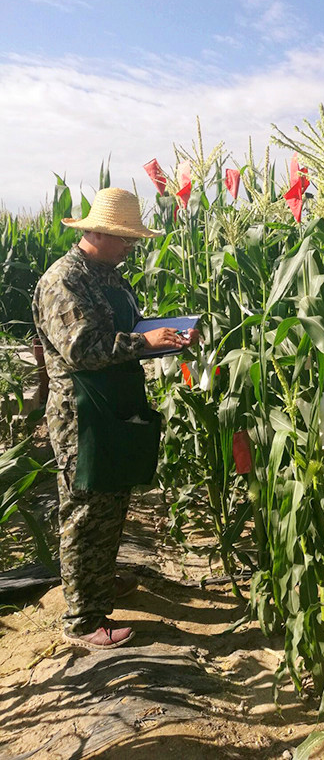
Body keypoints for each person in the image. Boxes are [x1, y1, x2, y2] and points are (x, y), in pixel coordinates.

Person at [32, 187, 198, 650]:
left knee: (110, 504)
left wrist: (168, 336)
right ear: (99, 233)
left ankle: (99, 580)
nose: (132, 246)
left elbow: (126, 330)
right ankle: (83, 619)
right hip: (82, 414)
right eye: (126, 238)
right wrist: (145, 343)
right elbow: (82, 349)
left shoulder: (110, 277)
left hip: (116, 403)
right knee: (86, 512)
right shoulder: (64, 281)